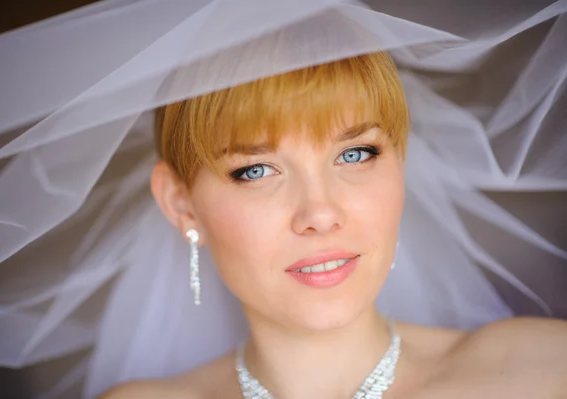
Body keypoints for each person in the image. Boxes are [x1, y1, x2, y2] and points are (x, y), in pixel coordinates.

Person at [99, 52, 567, 399]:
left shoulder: (546, 372)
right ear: (182, 206)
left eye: (355, 154)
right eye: (257, 170)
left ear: (401, 164)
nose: (320, 214)